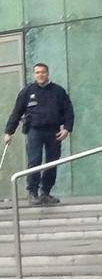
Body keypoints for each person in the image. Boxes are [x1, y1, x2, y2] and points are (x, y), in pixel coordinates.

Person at [4, 62, 74, 206]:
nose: (40, 75)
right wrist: (9, 132)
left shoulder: (58, 91)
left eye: (43, 72)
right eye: (37, 73)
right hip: (34, 131)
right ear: (34, 74)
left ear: (48, 73)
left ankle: (45, 193)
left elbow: (69, 111)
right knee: (35, 161)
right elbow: (16, 112)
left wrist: (67, 128)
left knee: (52, 162)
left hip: (54, 131)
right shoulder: (27, 92)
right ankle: (33, 192)